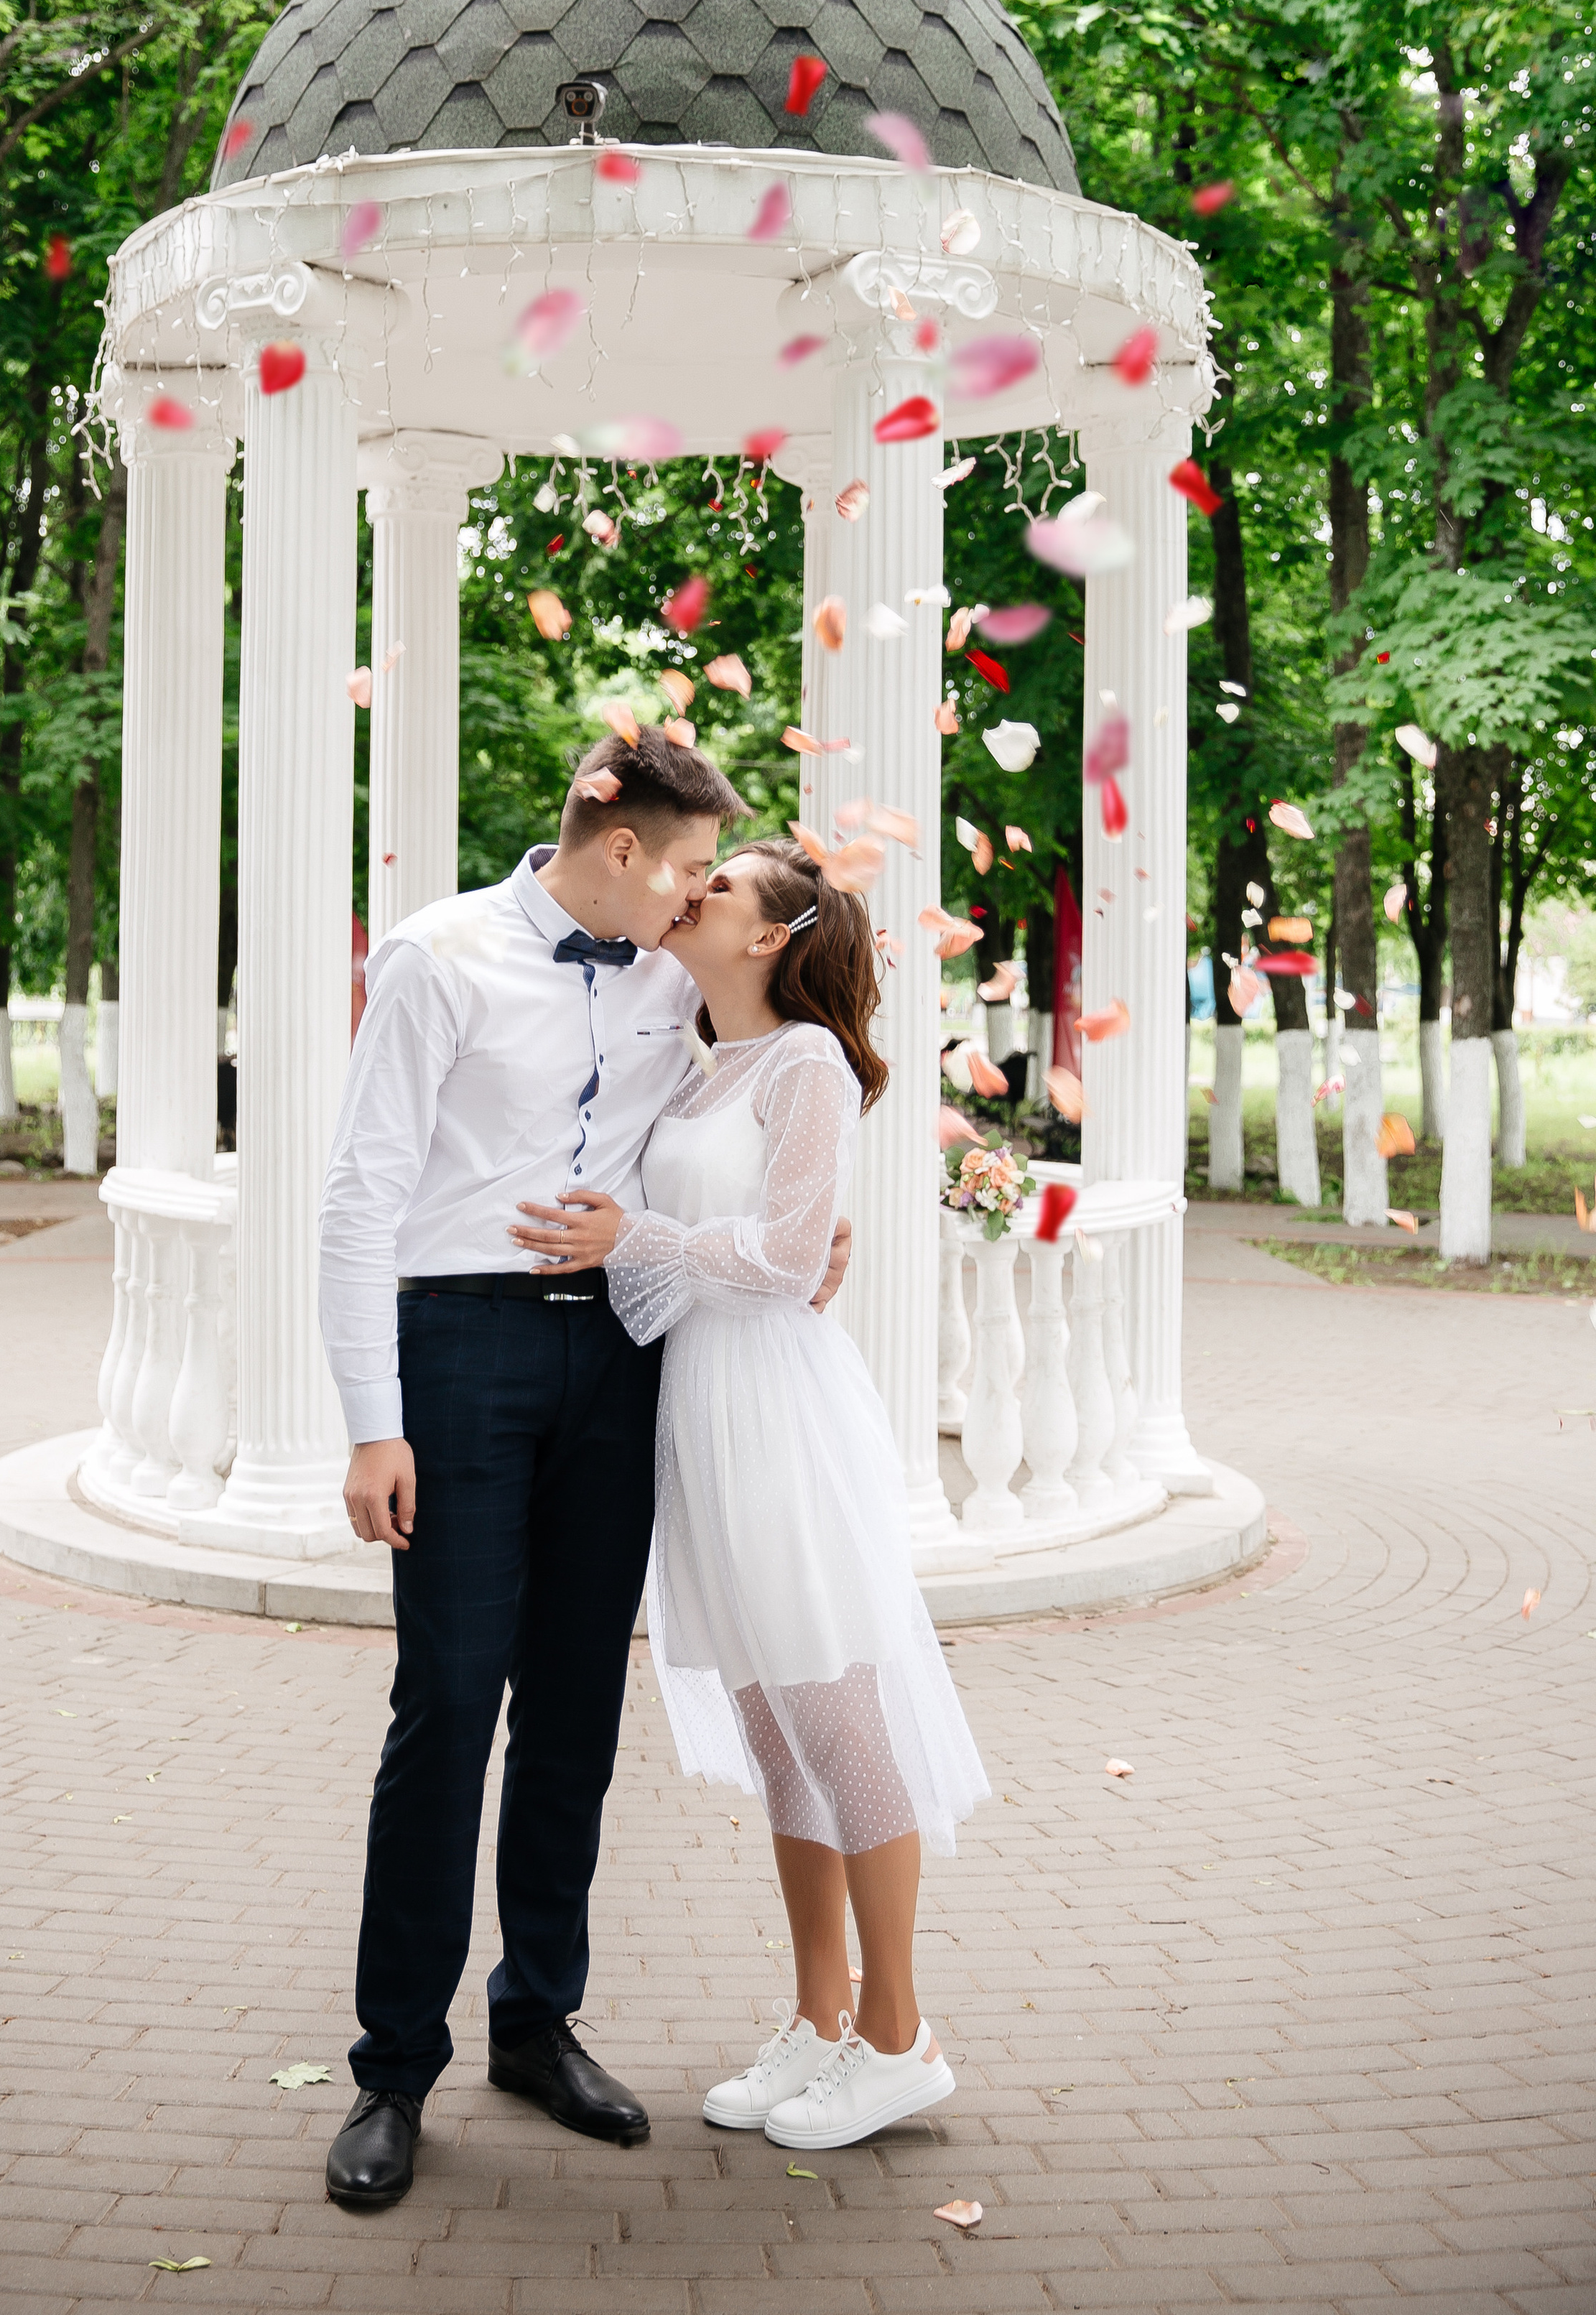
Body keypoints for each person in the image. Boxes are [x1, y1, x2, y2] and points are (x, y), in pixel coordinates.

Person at [315, 731, 848, 2209]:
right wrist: (374, 1417)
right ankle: (391, 2071)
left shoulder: (675, 971)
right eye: (681, 869)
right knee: (445, 1707)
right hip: (461, 1352)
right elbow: (360, 1192)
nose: (690, 901)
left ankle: (536, 2023)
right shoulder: (437, 959)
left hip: (621, 1356)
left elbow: (778, 1079)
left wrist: (810, 1232)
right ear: (618, 847)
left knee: (573, 1711)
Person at [509, 838, 988, 2151]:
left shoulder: (808, 1064)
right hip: (699, 1412)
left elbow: (782, 1258)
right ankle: (820, 2017)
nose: (691, 892)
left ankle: (900, 2038)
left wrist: (639, 1238)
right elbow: (720, 1257)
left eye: (720, 888)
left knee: (839, 1718)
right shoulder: (698, 1056)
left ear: (773, 935)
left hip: (777, 1409)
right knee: (777, 1734)